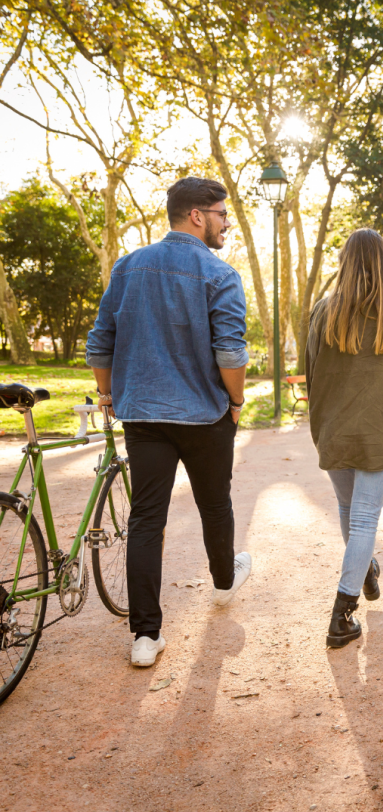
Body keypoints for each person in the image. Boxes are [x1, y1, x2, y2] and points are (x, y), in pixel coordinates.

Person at [86, 176, 252, 667]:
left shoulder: (128, 267)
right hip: (204, 414)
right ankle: (224, 582)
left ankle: (145, 636)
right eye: (222, 214)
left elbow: (101, 341)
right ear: (197, 215)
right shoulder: (219, 274)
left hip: (142, 414)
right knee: (214, 503)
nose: (227, 223)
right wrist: (236, 401)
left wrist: (107, 393)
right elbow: (230, 351)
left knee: (146, 518)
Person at [305, 228, 383, 648]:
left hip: (333, 427)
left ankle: (364, 568)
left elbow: (312, 369)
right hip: (379, 429)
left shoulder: (323, 311)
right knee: (365, 516)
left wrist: (322, 421)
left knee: (349, 508)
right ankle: (342, 613)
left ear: (344, 261)